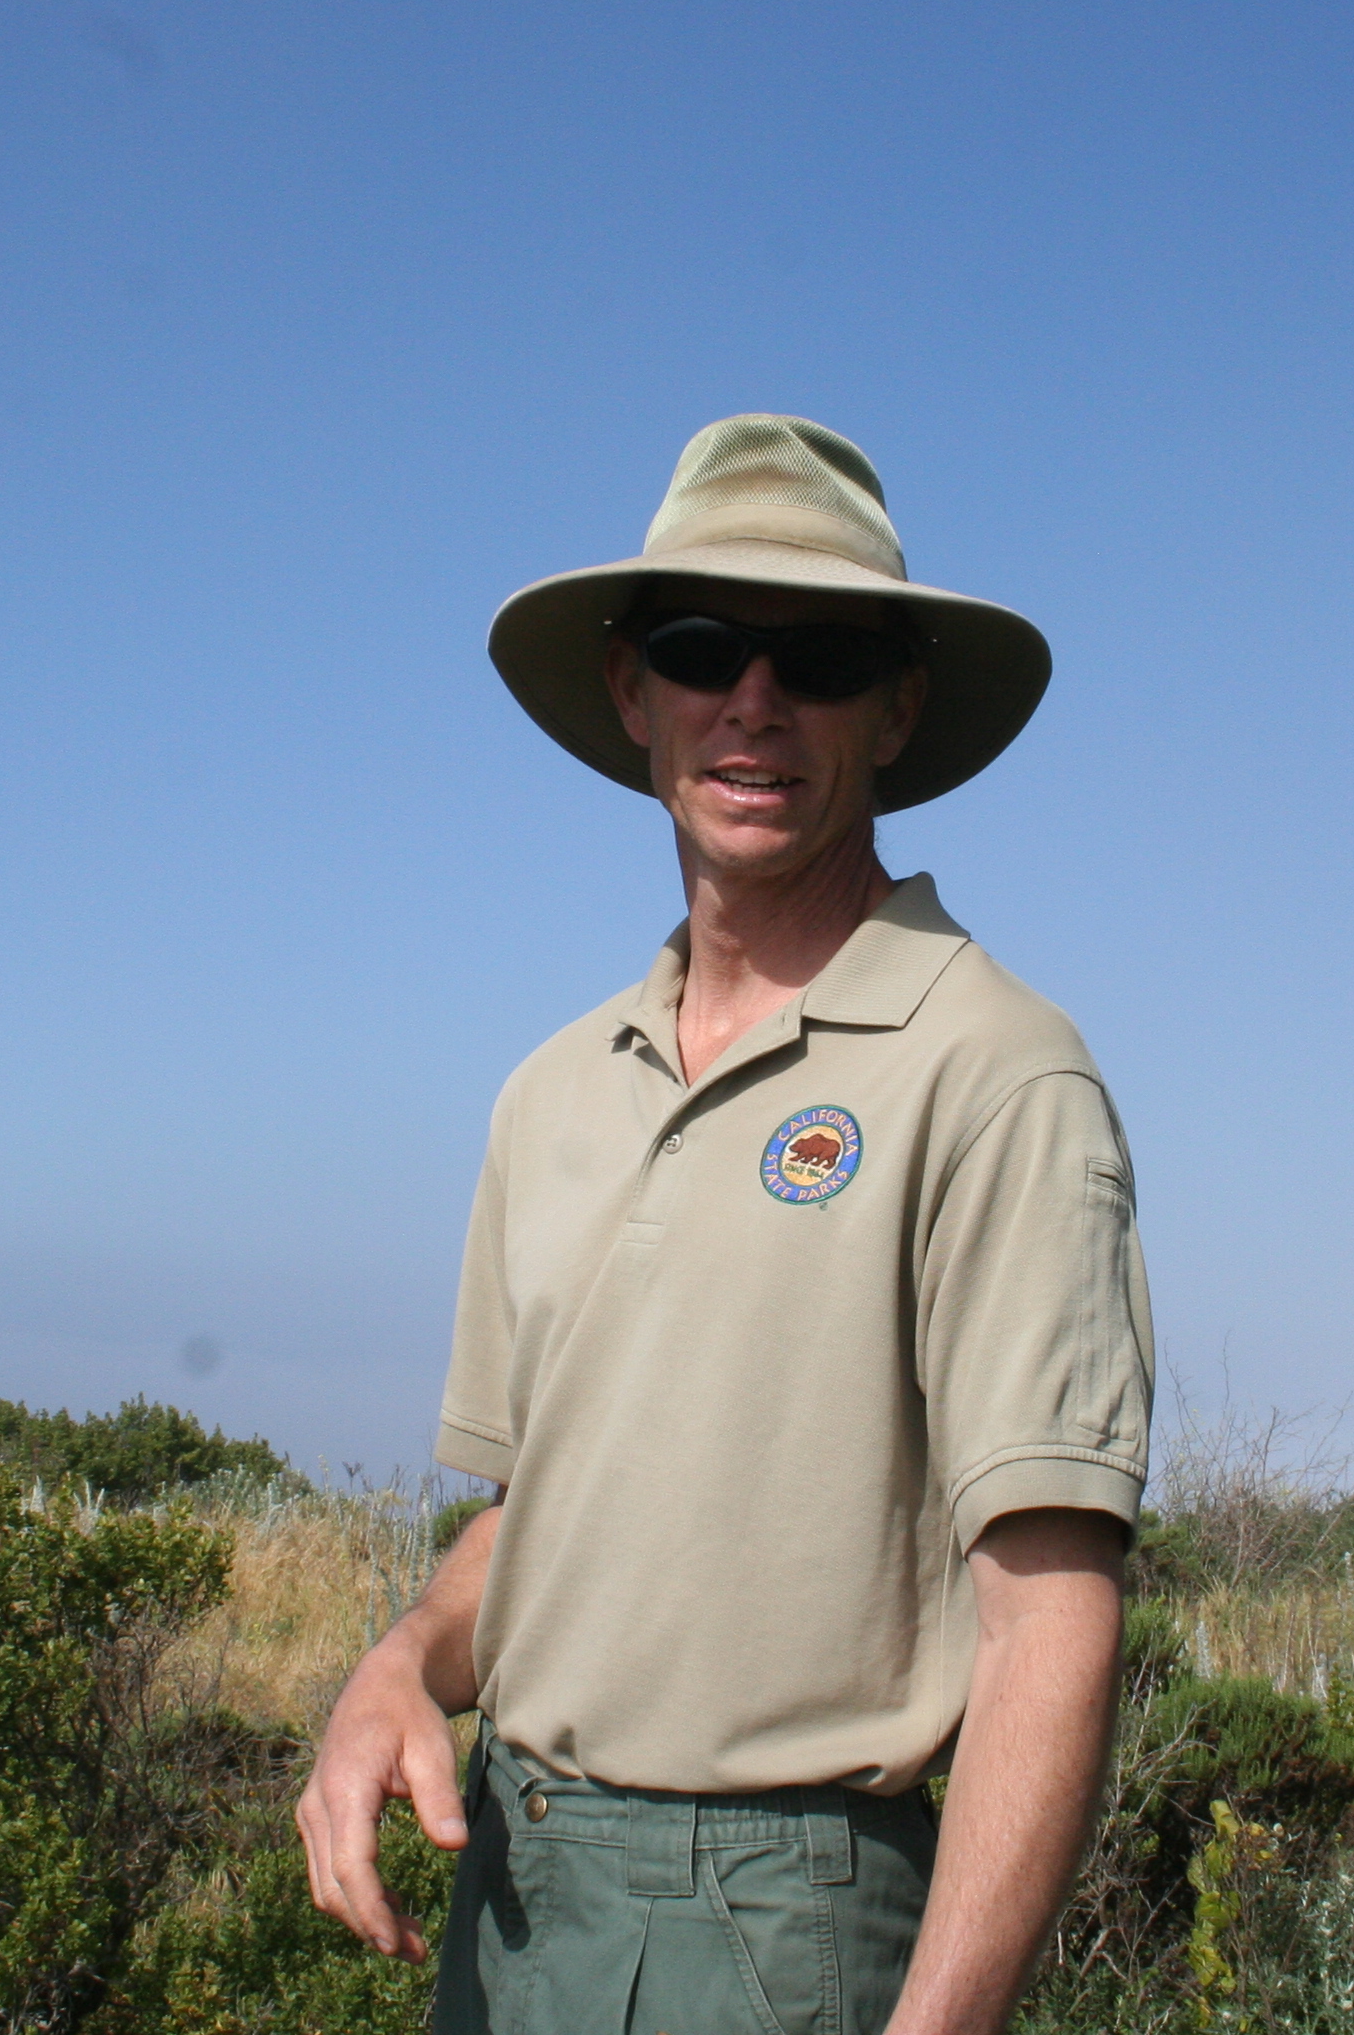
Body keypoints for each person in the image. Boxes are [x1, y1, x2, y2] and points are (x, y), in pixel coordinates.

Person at [298, 415, 1155, 2035]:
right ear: (633, 691)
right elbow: (540, 1525)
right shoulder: (553, 1090)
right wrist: (398, 1666)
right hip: (513, 1908)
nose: (755, 702)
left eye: (821, 654)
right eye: (702, 647)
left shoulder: (997, 1071)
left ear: (898, 704)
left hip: (788, 1934)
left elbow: (1051, 1610)